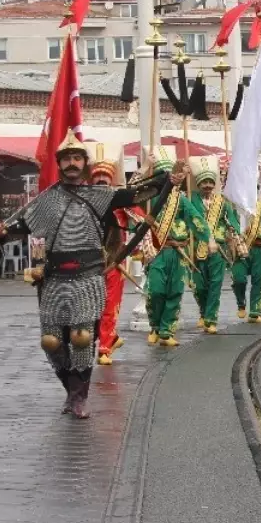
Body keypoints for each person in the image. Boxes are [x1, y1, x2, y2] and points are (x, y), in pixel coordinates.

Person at [0, 133, 174, 418]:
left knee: (82, 337)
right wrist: (0, 232)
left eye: (77, 158)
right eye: (67, 159)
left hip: (88, 276)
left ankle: (79, 396)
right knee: (51, 341)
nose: (72, 163)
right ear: (59, 163)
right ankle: (71, 389)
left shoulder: (100, 196)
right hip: (54, 277)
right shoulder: (46, 200)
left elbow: (137, 194)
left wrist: (166, 180)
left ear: (84, 163)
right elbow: (20, 224)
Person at [143, 147, 213, 347]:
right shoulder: (149, 196)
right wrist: (145, 168)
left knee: (175, 291)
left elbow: (195, 218)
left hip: (178, 252)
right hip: (158, 251)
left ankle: (166, 330)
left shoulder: (181, 199)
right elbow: (131, 202)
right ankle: (155, 326)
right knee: (155, 291)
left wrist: (209, 239)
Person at [87, 142, 134, 367]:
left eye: (105, 179)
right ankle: (110, 337)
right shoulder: (83, 204)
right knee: (91, 307)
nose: (101, 182)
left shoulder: (120, 204)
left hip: (115, 264)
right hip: (88, 265)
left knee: (108, 305)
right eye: (98, 179)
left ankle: (104, 347)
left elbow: (139, 223)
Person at [188, 156, 240, 334]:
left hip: (218, 249)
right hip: (196, 248)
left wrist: (234, 234)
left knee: (215, 284)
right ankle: (204, 312)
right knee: (199, 286)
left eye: (211, 182)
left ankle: (211, 319)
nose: (208, 186)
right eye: (204, 182)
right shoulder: (190, 197)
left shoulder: (222, 202)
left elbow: (232, 222)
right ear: (199, 183)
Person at [233, 175, 261, 324]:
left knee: (258, 281)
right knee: (239, 279)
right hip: (241, 248)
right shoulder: (236, 206)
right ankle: (241, 303)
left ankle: (255, 312)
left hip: (259, 250)